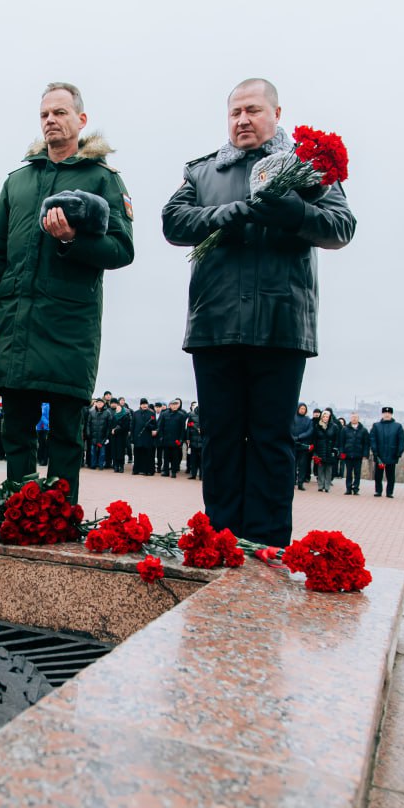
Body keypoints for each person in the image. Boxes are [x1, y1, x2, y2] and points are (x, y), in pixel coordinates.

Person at [161, 77, 355, 546]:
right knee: (220, 439)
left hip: (281, 326)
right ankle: (222, 541)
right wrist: (229, 213)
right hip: (215, 326)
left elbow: (341, 226)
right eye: (235, 112)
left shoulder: (306, 168)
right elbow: (173, 221)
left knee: (272, 442)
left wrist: (295, 213)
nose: (243, 120)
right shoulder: (204, 172)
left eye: (253, 110)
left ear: (276, 114)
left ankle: (268, 548)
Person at [0, 82, 134, 504]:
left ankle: (59, 517)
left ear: (81, 120)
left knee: (65, 431)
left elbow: (122, 249)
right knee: (15, 428)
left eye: (60, 113)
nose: (51, 121)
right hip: (16, 320)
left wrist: (71, 240)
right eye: (45, 114)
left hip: (70, 323)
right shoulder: (18, 181)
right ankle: (17, 510)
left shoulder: (102, 178)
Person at [370, 406, 404, 498]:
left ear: (391, 414)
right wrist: (374, 450)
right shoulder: (376, 426)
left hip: (392, 454)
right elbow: (372, 439)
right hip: (379, 455)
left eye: (389, 413)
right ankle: (378, 491)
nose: (387, 415)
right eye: (385, 413)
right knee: (378, 475)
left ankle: (389, 492)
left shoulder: (398, 426)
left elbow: (401, 440)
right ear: (382, 414)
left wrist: (399, 452)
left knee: (390, 476)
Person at [310, 408, 341, 492]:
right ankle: (320, 485)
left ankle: (327, 486)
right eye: (324, 416)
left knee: (328, 469)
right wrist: (315, 451)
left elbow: (337, 439)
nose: (325, 418)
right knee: (320, 468)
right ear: (321, 417)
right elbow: (314, 439)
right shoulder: (317, 426)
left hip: (330, 450)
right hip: (320, 449)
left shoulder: (334, 427)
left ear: (329, 417)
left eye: (327, 417)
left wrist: (335, 449)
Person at [156, 398, 188, 478]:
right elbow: (160, 427)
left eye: (176, 405)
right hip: (166, 439)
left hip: (176, 439)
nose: (174, 406)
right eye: (173, 404)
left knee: (175, 457)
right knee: (166, 456)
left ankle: (173, 472)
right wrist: (161, 437)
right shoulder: (164, 414)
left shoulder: (181, 415)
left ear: (178, 406)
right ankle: (166, 471)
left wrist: (181, 439)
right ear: (170, 405)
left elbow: (182, 429)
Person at [341, 412, 370, 495]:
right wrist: (342, 452)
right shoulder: (345, 429)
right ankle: (348, 488)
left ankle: (356, 488)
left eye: (356, 417)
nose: (354, 419)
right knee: (349, 473)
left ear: (358, 418)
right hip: (348, 454)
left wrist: (365, 454)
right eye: (353, 417)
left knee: (357, 473)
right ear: (350, 418)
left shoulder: (363, 430)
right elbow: (341, 442)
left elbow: (366, 443)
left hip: (358, 455)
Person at [84, 397, 112, 470]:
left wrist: (107, 436)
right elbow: (88, 424)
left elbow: (109, 426)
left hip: (102, 436)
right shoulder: (91, 412)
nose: (99, 404)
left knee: (102, 453)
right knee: (93, 452)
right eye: (98, 402)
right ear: (95, 403)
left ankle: (100, 465)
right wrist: (88, 433)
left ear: (103, 404)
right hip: (93, 436)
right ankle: (93, 465)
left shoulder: (107, 413)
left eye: (101, 403)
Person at [130, 398, 156, 476]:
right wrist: (132, 437)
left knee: (147, 455)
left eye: (145, 404)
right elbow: (132, 426)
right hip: (138, 437)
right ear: (140, 405)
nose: (144, 405)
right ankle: (136, 470)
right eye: (143, 404)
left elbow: (155, 426)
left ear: (147, 405)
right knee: (137, 454)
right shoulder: (135, 413)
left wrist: (149, 426)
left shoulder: (152, 414)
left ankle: (148, 471)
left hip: (147, 438)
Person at [291, 403, 314, 491]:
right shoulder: (292, 418)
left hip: (303, 445)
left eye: (304, 409)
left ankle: (301, 483)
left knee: (303, 465)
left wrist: (299, 437)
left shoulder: (308, 420)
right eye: (301, 408)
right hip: (293, 444)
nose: (302, 410)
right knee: (293, 464)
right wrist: (293, 437)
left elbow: (310, 431)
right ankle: (292, 482)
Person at [108, 399, 131, 473]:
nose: (117, 409)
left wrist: (116, 430)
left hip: (121, 437)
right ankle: (116, 466)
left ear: (122, 409)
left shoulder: (125, 416)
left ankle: (121, 466)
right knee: (114, 451)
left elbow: (125, 427)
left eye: (119, 408)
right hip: (114, 437)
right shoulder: (114, 416)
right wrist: (112, 430)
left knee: (120, 452)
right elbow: (111, 426)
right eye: (116, 408)